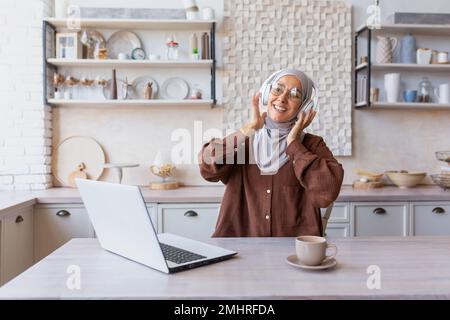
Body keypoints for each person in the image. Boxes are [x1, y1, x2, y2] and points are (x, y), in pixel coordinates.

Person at [198, 68, 344, 237]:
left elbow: (327, 192)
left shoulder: (313, 145)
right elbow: (208, 168)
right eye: (278, 89)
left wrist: (294, 144)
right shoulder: (244, 142)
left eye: (295, 94)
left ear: (304, 106)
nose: (282, 98)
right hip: (240, 249)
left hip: (294, 253)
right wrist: (249, 128)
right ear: (267, 94)